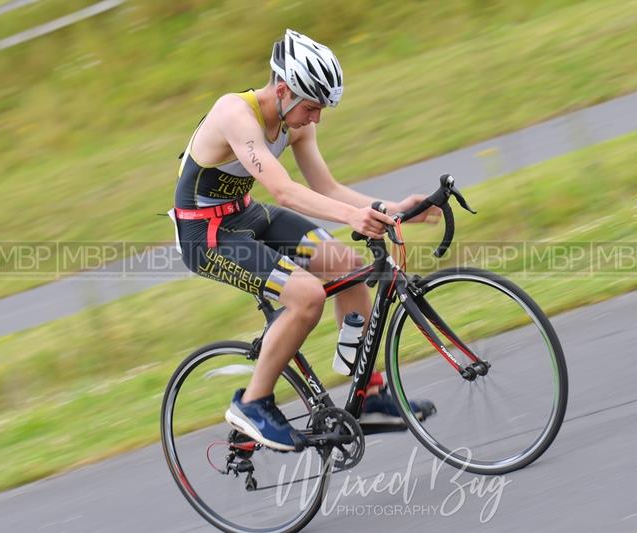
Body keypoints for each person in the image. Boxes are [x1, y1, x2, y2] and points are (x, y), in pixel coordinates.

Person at [172, 29, 438, 452]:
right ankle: (252, 404)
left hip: (246, 215)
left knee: (349, 267)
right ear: (283, 90)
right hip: (206, 235)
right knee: (307, 296)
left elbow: (326, 188)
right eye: (311, 108)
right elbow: (284, 191)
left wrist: (395, 209)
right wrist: (355, 217)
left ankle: (368, 396)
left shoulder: (294, 121)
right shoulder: (234, 114)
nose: (315, 119)